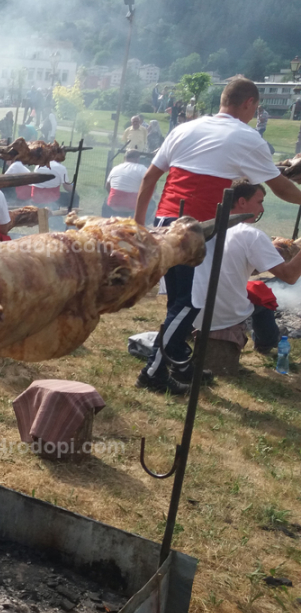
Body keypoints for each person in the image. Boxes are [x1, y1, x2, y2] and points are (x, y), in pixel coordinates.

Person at [133, 76, 301, 394]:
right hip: (199, 229)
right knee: (190, 304)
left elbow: (149, 178)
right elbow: (280, 187)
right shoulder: (246, 137)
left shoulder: (184, 128)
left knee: (180, 304)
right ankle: (153, 371)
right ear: (249, 103)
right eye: (255, 108)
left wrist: (141, 228)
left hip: (165, 220)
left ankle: (180, 366)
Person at [190, 179, 301, 357]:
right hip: (222, 314)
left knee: (253, 287)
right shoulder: (251, 234)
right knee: (264, 300)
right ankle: (267, 344)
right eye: (259, 202)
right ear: (242, 201)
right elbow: (289, 276)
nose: (262, 209)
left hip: (193, 310)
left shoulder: (205, 226)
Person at [102, 150, 147, 217]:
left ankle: (105, 220)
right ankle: (141, 222)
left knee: (106, 202)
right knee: (151, 203)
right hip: (131, 207)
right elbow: (152, 185)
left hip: (113, 205)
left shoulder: (115, 168)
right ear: (137, 159)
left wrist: (114, 196)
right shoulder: (142, 169)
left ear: (124, 158)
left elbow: (107, 186)